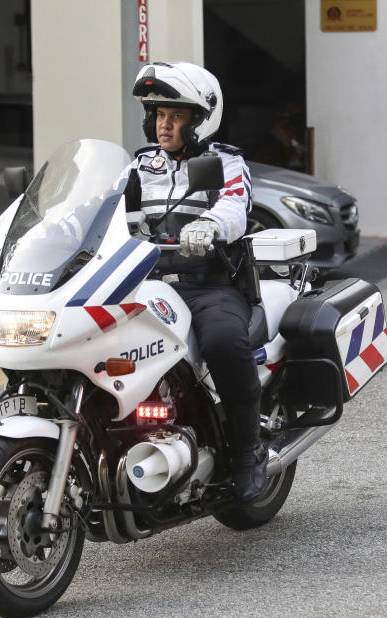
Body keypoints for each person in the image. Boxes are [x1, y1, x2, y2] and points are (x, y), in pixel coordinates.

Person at [128, 61, 265, 502]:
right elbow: (101, 204)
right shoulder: (140, 164)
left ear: (200, 120)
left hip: (208, 285)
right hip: (147, 284)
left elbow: (234, 206)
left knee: (225, 343)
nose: (164, 125)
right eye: (159, 116)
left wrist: (209, 224)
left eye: (176, 116)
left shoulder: (225, 161)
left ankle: (248, 450)